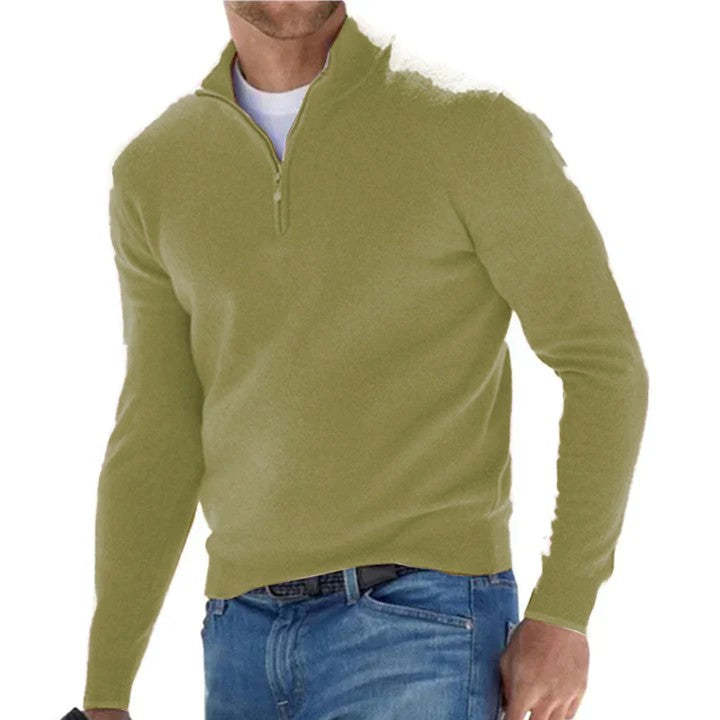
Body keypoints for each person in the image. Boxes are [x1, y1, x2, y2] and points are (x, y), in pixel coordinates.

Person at [80, 2, 648, 719]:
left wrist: (565, 609)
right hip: (238, 638)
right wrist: (106, 691)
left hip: (422, 624)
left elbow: (602, 364)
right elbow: (157, 434)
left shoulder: (470, 125)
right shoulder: (155, 170)